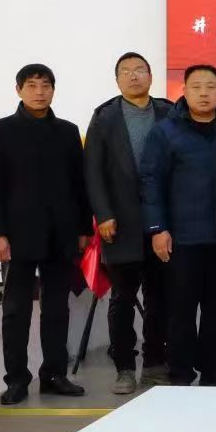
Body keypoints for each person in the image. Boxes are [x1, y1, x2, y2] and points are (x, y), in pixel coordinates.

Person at [0, 64, 91, 405]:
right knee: (16, 311)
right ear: (18, 90)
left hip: (61, 234)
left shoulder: (68, 131)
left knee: (57, 308)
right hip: (17, 237)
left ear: (53, 90)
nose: (39, 92)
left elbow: (79, 185)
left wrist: (83, 229)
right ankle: (16, 379)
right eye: (31, 85)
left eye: (45, 86)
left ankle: (55, 375)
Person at [140, 64, 216, 386]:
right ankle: (181, 372)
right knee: (181, 312)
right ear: (184, 91)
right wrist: (158, 229)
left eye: (210, 87)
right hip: (181, 240)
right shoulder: (165, 132)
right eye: (196, 87)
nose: (203, 93)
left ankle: (213, 370)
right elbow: (151, 182)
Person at [84, 52, 174, 394]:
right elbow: (93, 171)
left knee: (159, 298)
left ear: (151, 76)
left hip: (161, 224)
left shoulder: (168, 112)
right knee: (122, 298)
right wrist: (103, 214)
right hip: (118, 224)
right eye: (126, 72)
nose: (133, 76)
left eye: (139, 70)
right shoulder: (104, 117)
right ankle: (124, 368)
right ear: (117, 80)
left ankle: (154, 364)